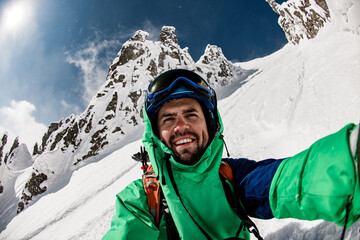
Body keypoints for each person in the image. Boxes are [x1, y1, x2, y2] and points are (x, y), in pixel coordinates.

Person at [103, 69, 360, 239]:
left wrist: (348, 163)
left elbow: (285, 181)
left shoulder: (231, 176)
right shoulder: (140, 200)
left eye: (191, 114)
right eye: (168, 118)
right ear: (156, 134)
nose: (181, 126)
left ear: (210, 124)